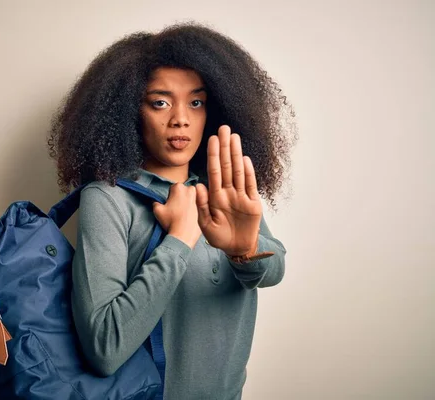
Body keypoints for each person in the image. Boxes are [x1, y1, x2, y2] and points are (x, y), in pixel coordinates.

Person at [48, 22, 297, 400]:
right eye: (160, 102)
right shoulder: (109, 198)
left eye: (195, 102)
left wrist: (245, 248)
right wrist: (179, 239)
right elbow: (103, 348)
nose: (180, 118)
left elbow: (273, 270)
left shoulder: (223, 189)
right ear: (129, 110)